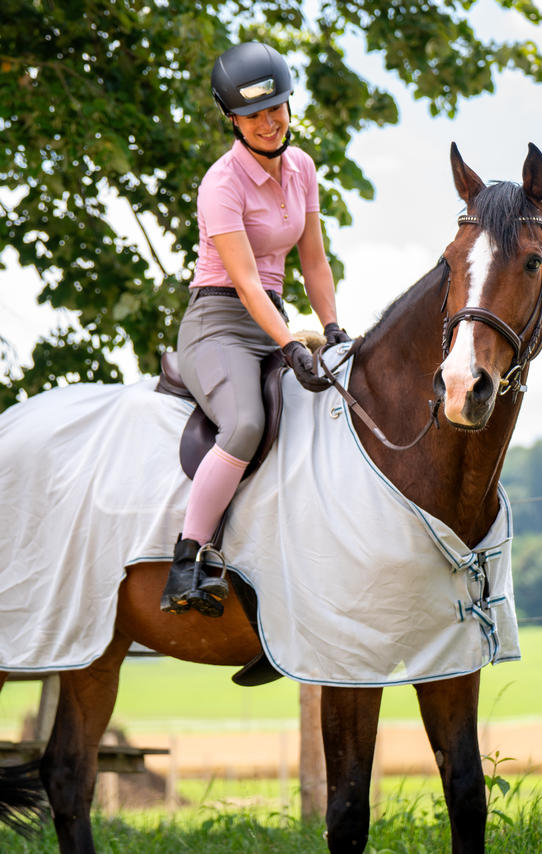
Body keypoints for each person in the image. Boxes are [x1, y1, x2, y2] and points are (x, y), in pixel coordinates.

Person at [161, 41, 349, 617]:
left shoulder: (303, 169)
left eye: (277, 109)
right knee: (245, 424)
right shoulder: (221, 184)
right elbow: (244, 283)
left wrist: (334, 328)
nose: (269, 123)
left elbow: (314, 262)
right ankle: (186, 560)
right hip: (218, 322)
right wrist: (290, 342)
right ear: (232, 119)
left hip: (272, 317)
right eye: (254, 114)